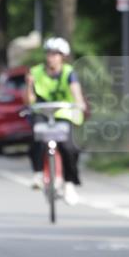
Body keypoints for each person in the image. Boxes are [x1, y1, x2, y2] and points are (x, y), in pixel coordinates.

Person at [26, 37, 86, 204]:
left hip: (64, 113)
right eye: (49, 53)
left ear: (63, 56)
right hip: (42, 111)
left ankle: (69, 184)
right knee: (37, 138)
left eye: (56, 54)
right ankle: (37, 174)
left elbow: (76, 93)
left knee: (69, 148)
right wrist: (29, 86)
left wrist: (79, 104)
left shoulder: (69, 73)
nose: (51, 57)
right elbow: (29, 100)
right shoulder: (35, 72)